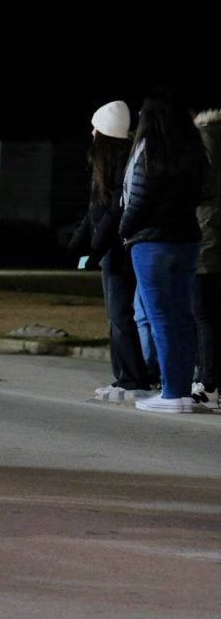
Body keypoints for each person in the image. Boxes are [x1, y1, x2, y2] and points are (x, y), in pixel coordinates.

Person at [120, 88, 209, 413]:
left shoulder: (148, 149)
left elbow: (139, 198)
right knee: (182, 317)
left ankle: (171, 393)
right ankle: (182, 391)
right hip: (187, 239)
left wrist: (124, 230)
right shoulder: (193, 149)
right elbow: (204, 189)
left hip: (151, 242)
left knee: (160, 318)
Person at [69, 101, 152, 397]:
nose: (91, 132)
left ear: (104, 131)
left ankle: (132, 376)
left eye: (95, 126)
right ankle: (124, 374)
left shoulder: (115, 163)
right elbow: (94, 210)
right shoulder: (115, 161)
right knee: (118, 314)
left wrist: (93, 247)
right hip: (112, 247)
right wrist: (80, 242)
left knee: (119, 314)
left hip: (116, 249)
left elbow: (110, 211)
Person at [192, 108, 221, 408]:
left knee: (203, 315)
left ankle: (208, 382)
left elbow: (201, 190)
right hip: (211, 242)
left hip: (206, 244)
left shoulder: (204, 139)